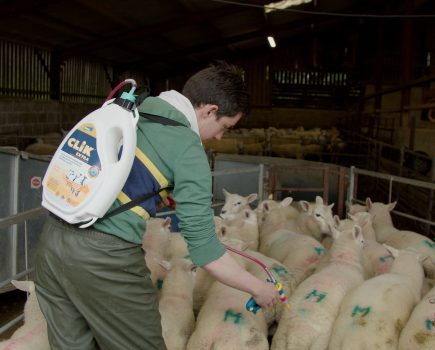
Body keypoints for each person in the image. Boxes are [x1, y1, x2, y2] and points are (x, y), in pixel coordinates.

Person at [34, 61, 278, 350]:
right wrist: (258, 287)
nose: (220, 137)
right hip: (104, 258)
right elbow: (206, 253)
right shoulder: (188, 148)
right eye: (225, 127)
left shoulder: (133, 109)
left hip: (51, 243)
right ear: (210, 110)